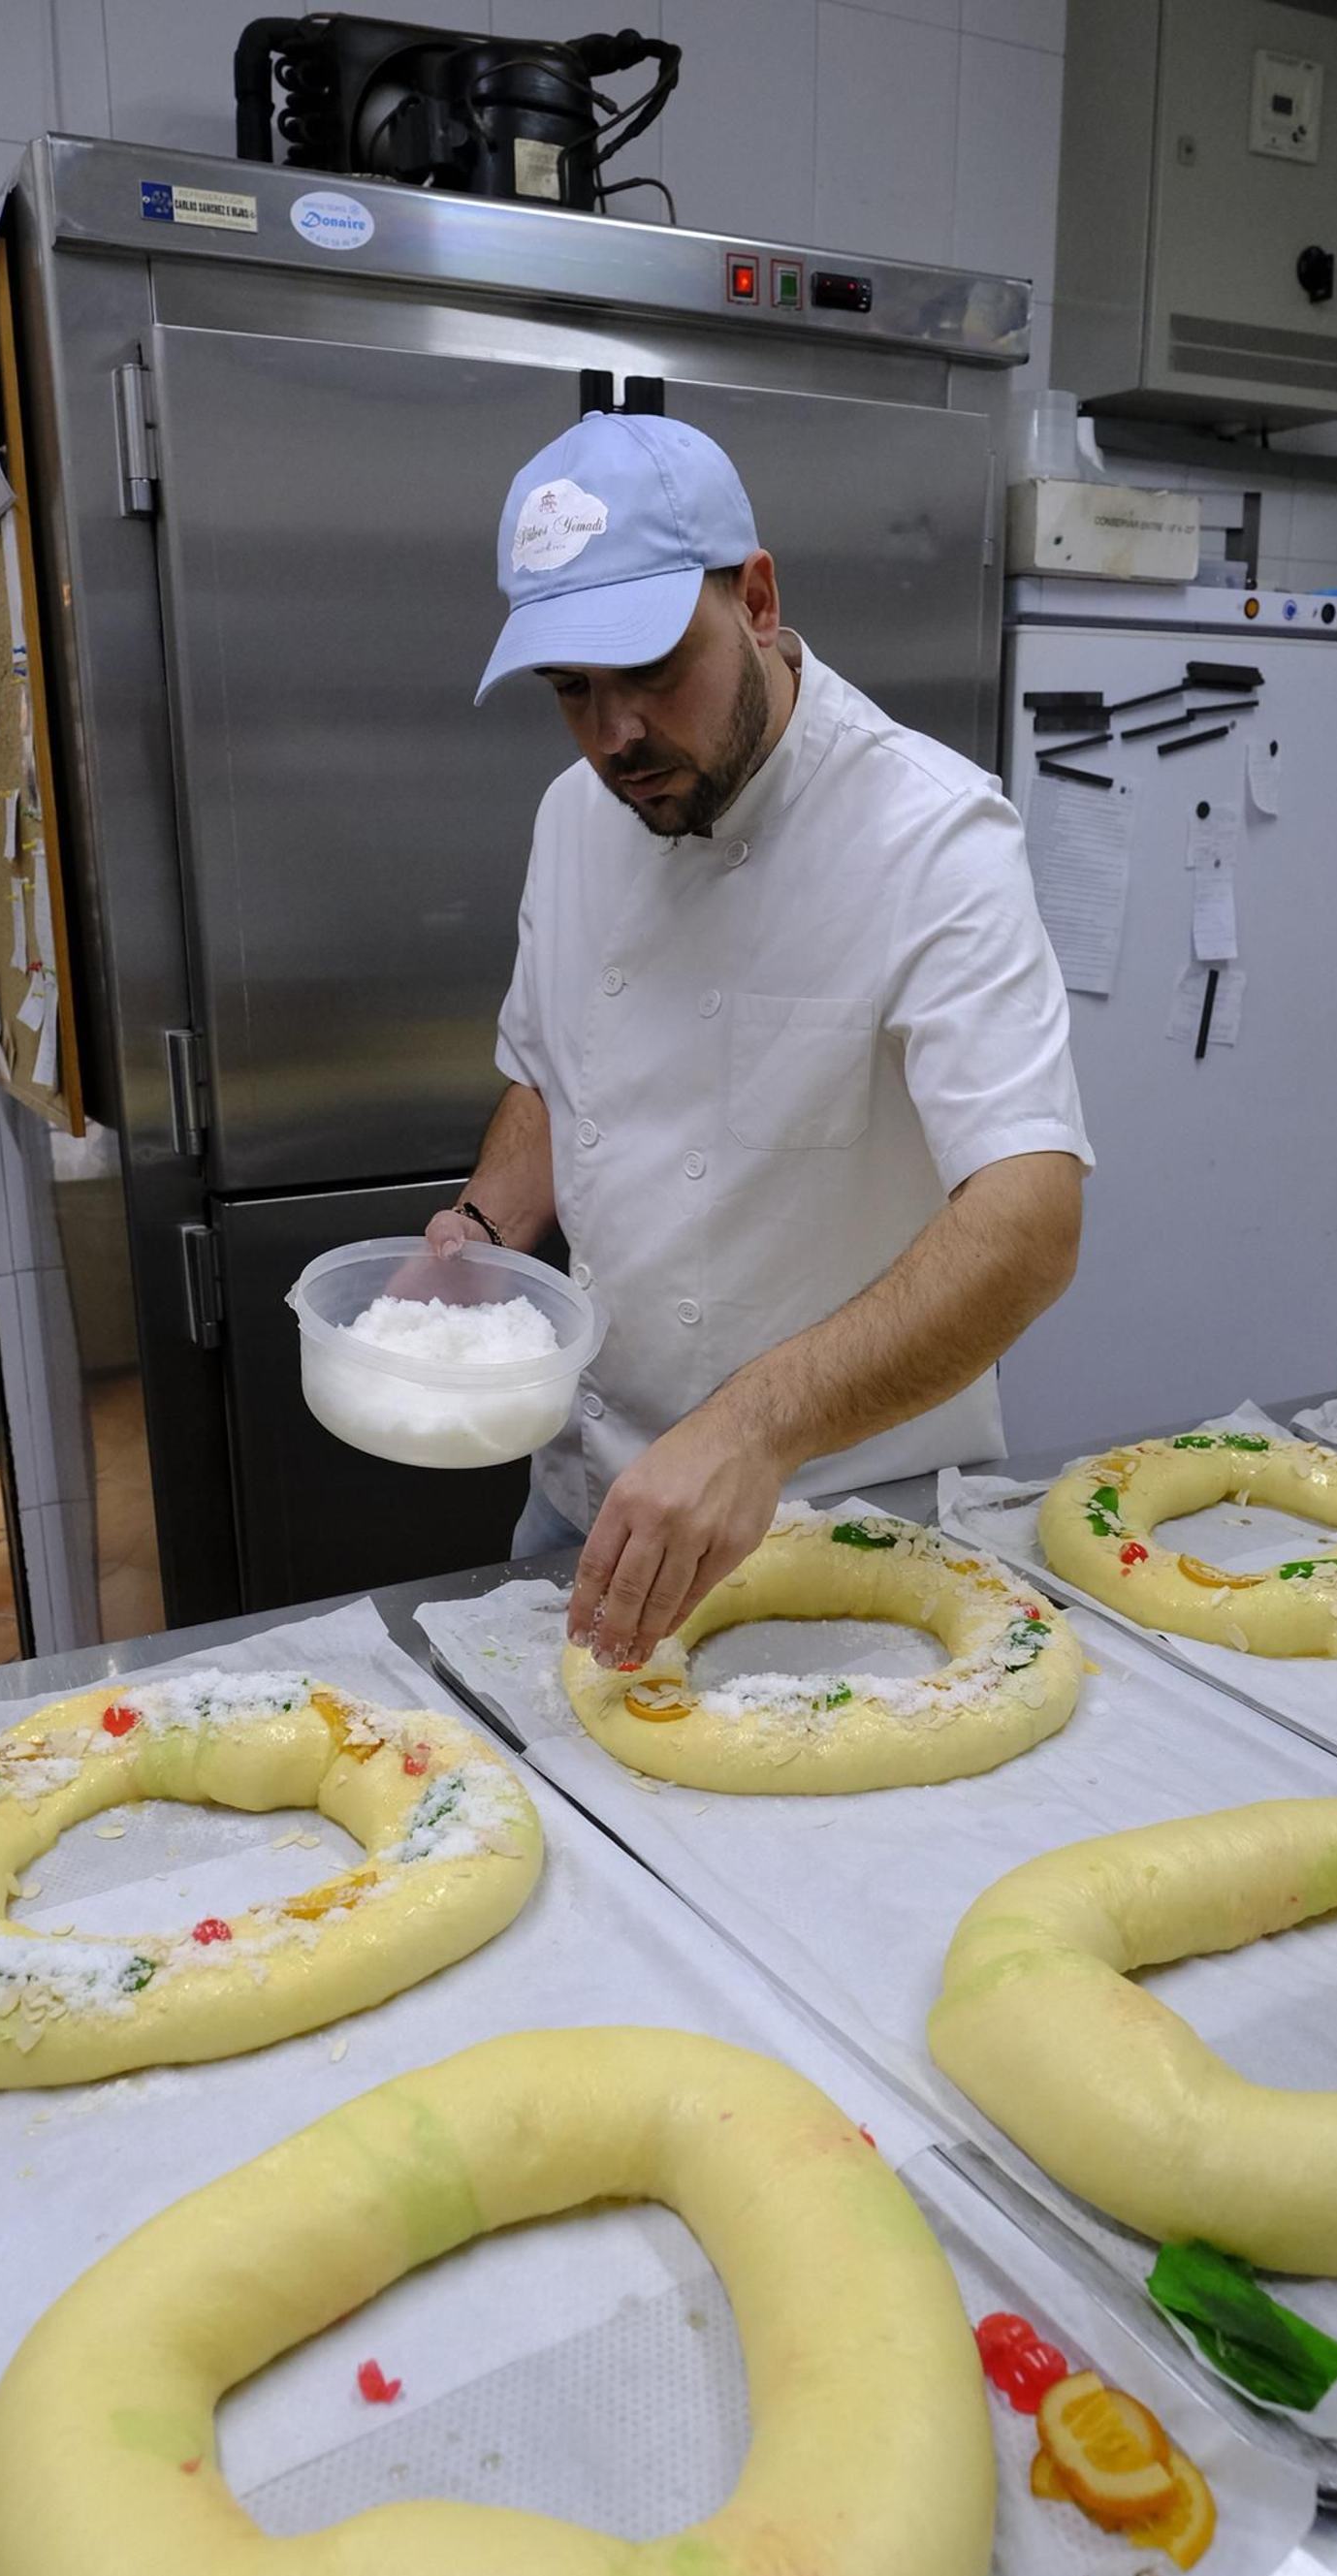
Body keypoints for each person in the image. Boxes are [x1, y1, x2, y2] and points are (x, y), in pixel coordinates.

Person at [430, 412, 1089, 1671]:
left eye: (653, 669)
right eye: (573, 689)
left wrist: (757, 1425)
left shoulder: (933, 835)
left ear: (761, 601)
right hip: (585, 1505)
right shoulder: (575, 816)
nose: (616, 734)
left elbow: (1032, 1219)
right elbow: (552, 1076)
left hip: (847, 1528)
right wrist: (480, 1238)